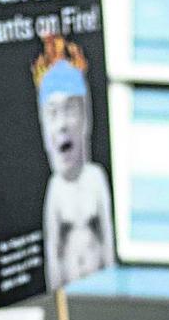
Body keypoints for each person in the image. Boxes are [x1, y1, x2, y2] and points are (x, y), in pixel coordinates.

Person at [32, 35, 115, 291]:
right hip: (68, 293)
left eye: (70, 110)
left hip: (98, 292)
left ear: (85, 119)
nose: (63, 124)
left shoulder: (95, 178)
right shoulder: (55, 188)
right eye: (53, 113)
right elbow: (53, 252)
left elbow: (108, 241)